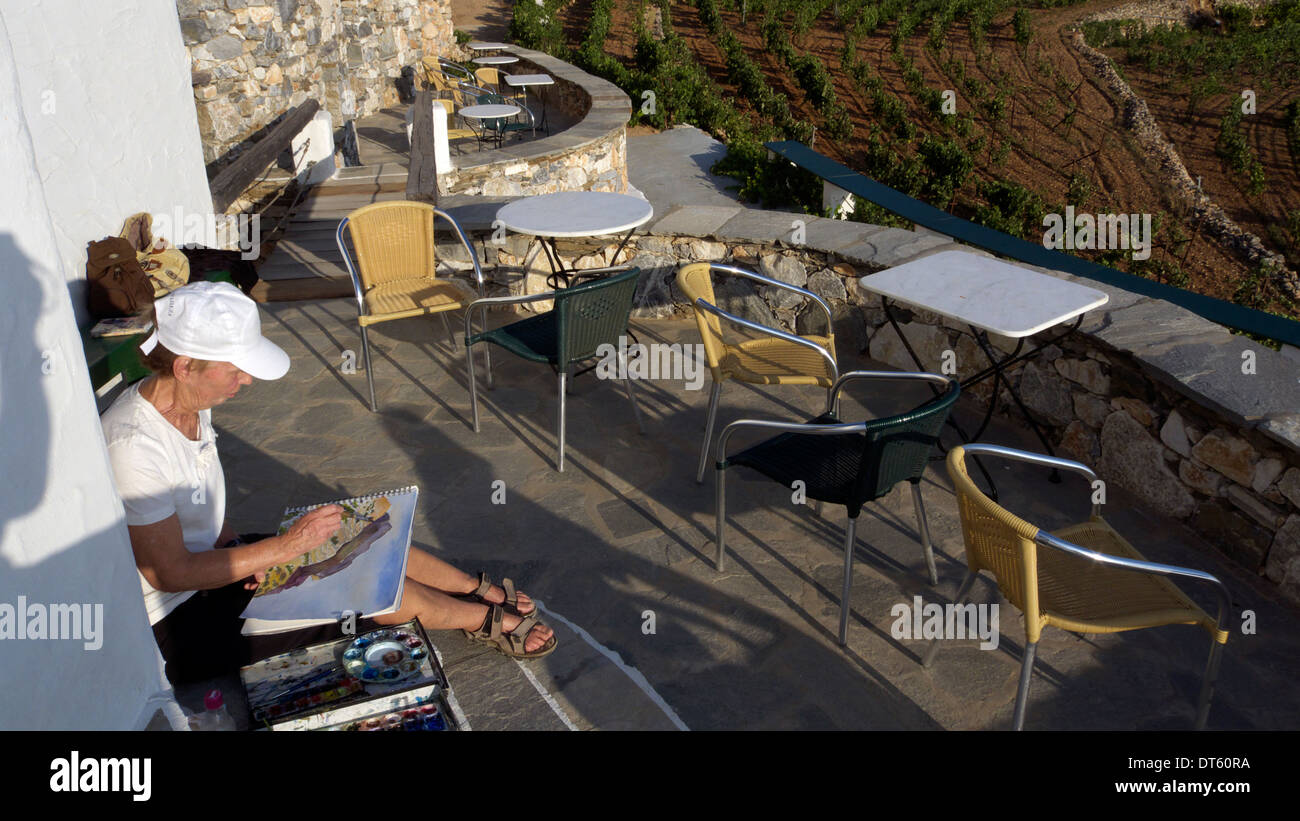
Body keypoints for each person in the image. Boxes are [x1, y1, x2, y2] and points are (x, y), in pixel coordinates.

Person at [101, 282, 554, 684]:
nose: (246, 381)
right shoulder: (133, 445)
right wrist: (281, 549)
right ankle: (479, 619)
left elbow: (198, 509)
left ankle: (474, 587)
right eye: (235, 370)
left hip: (215, 572)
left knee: (362, 535)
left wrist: (239, 545)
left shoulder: (193, 399)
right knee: (367, 589)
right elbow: (168, 573)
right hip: (184, 620)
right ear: (184, 366)